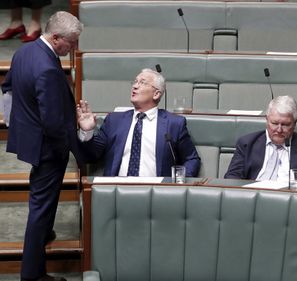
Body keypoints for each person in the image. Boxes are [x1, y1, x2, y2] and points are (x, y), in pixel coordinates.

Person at [1, 11, 83, 281]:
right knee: (41, 207)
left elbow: (8, 88)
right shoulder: (48, 68)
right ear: (56, 37)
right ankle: (32, 275)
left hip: (31, 139)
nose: (73, 48)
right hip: (48, 148)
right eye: (71, 42)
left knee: (42, 203)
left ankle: (45, 231)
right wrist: (68, 146)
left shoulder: (25, 52)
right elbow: (52, 121)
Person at [77, 68, 201, 177]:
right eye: (135, 82)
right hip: (116, 191)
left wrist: (179, 182)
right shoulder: (114, 120)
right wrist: (87, 132)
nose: (135, 86)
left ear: (156, 94)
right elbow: (91, 156)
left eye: (142, 83)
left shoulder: (174, 124)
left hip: (157, 193)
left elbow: (192, 159)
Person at [224, 95, 297, 185]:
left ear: (295, 123)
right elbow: (232, 179)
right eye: (274, 123)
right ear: (266, 120)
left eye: (285, 124)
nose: (279, 130)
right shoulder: (247, 144)